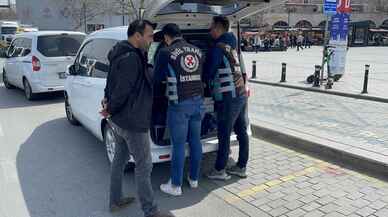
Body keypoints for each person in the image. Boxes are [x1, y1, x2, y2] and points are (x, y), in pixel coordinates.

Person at [101, 19, 174, 217]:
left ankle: (115, 200)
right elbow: (121, 91)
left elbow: (110, 82)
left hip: (120, 121)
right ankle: (150, 211)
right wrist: (110, 107)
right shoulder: (131, 59)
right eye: (149, 36)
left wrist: (108, 104)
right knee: (144, 166)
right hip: (132, 121)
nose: (152, 39)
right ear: (137, 35)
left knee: (119, 160)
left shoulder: (122, 53)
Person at [153, 23, 205, 196]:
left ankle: (175, 185)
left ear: (167, 37)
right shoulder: (197, 50)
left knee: (178, 145)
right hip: (198, 102)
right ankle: (194, 179)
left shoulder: (164, 52)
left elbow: (157, 78)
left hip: (179, 105)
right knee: (195, 141)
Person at [204, 16, 249, 180]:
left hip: (228, 97)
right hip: (241, 93)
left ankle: (219, 170)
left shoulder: (218, 48)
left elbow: (208, 71)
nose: (210, 31)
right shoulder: (231, 46)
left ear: (218, 28)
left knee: (224, 133)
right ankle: (241, 166)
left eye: (211, 28)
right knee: (241, 132)